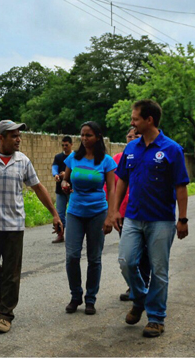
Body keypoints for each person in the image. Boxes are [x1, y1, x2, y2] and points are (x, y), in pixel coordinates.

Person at [0, 120, 63, 334]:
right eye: (14, 135)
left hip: (14, 226)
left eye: (19, 135)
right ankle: (5, 300)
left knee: (11, 272)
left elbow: (38, 187)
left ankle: (5, 314)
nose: (19, 139)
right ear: (0, 138)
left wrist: (54, 214)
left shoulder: (23, 161)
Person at [110, 99, 189, 338]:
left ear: (149, 120)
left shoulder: (172, 149)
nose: (132, 123)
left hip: (161, 220)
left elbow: (181, 186)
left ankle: (155, 318)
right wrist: (115, 210)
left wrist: (183, 219)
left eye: (135, 119)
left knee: (159, 269)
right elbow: (121, 179)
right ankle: (140, 298)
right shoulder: (131, 149)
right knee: (126, 260)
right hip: (133, 217)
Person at [60, 121, 115, 315]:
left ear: (98, 137)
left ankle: (90, 299)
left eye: (88, 135)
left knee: (94, 258)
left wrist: (111, 215)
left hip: (97, 212)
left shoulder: (106, 161)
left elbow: (112, 189)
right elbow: (66, 179)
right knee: (72, 256)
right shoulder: (73, 158)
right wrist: (65, 184)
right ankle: (76, 296)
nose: (84, 139)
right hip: (74, 211)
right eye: (82, 135)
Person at [114, 126, 151, 302]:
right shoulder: (120, 158)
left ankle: (143, 286)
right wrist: (113, 210)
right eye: (129, 135)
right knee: (129, 256)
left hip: (148, 213)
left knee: (145, 254)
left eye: (136, 134)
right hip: (125, 213)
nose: (132, 138)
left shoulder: (153, 153)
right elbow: (114, 185)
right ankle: (135, 287)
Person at [51, 136, 73, 243]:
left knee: (71, 212)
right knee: (60, 213)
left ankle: (71, 234)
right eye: (63, 145)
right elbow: (54, 167)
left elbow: (78, 170)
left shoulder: (75, 157)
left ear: (71, 145)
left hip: (71, 189)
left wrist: (68, 174)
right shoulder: (58, 157)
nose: (64, 147)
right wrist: (55, 174)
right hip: (60, 189)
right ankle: (60, 234)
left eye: (66, 145)